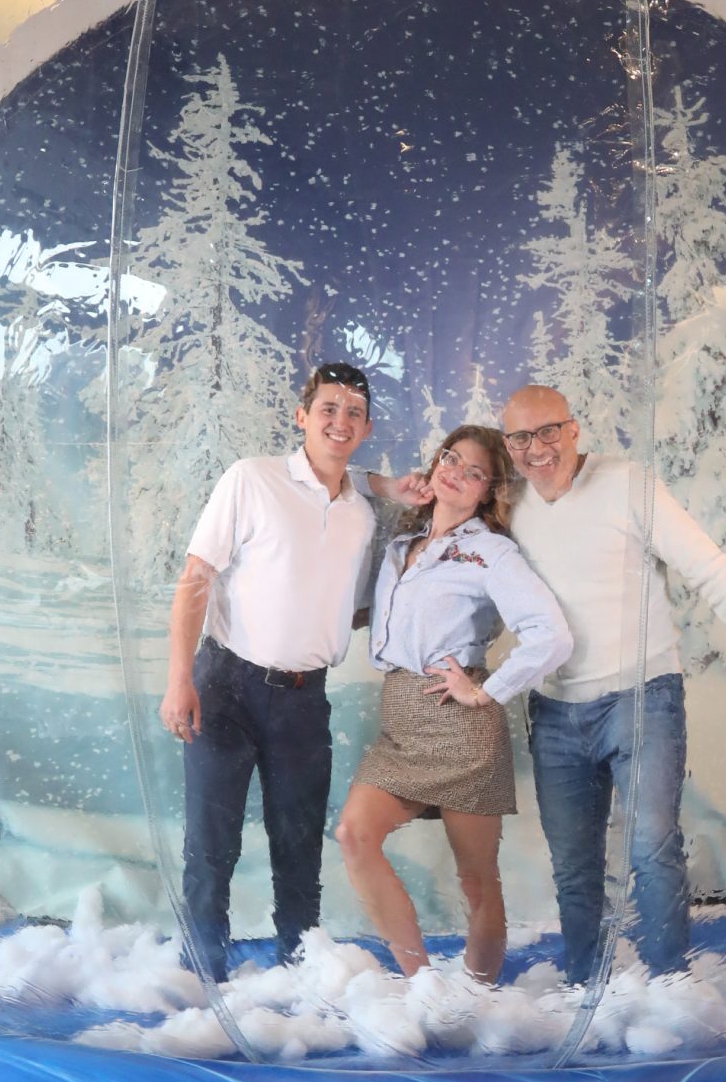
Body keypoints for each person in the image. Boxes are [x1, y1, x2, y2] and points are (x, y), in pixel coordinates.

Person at [499, 383, 726, 983]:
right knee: (574, 865)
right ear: (508, 446)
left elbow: (705, 563)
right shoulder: (510, 507)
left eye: (549, 431)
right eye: (522, 438)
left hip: (642, 696)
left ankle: (668, 987)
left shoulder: (627, 484)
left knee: (652, 847)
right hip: (555, 712)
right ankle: (585, 985)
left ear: (573, 430)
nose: (538, 448)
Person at [160, 361, 383, 976]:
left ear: (366, 429)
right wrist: (180, 680)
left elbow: (349, 607)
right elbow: (195, 579)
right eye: (328, 408)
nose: (340, 421)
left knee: (300, 848)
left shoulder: (361, 515)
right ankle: (203, 974)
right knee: (212, 847)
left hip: (304, 700)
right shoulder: (252, 479)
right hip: (224, 688)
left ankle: (299, 972)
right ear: (302, 416)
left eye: (354, 413)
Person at [336, 427, 571, 982]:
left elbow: (552, 635)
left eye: (474, 472)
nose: (456, 473)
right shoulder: (402, 542)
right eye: (450, 458)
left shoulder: (491, 552)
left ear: (489, 491)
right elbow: (339, 478)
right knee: (354, 835)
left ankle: (479, 995)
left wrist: (485, 691)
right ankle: (422, 986)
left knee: (477, 880)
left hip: (461, 727)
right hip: (401, 723)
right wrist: (393, 487)